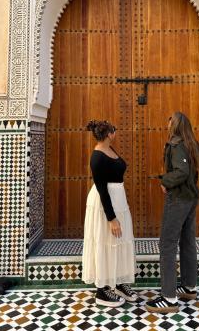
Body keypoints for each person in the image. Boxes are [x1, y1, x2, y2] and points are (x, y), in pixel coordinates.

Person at [146, 112, 199, 313]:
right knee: (187, 241)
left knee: (167, 245)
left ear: (175, 125)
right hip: (191, 198)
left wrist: (165, 181)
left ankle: (169, 298)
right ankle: (189, 287)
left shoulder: (177, 144)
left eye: (169, 123)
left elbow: (182, 172)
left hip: (178, 199)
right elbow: (190, 173)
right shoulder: (193, 143)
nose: (167, 126)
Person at [82, 120, 137, 307]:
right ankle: (102, 290)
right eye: (114, 130)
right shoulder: (97, 157)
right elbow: (102, 190)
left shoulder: (111, 149)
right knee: (105, 242)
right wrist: (111, 218)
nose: (116, 132)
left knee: (119, 241)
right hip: (104, 205)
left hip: (119, 201)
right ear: (108, 134)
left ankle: (119, 282)